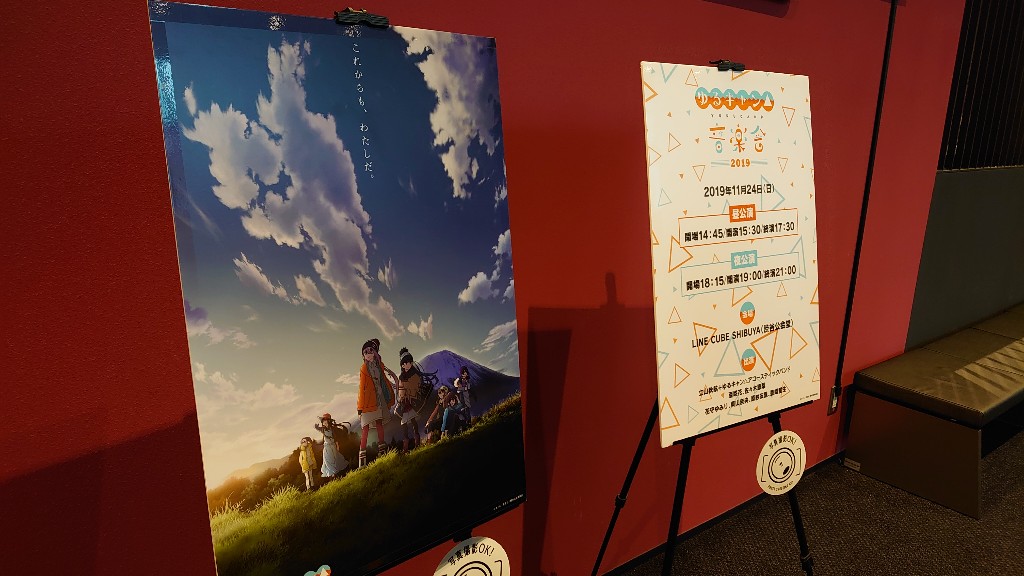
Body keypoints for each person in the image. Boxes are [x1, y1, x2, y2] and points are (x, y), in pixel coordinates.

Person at [357, 338, 397, 467]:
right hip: (367, 401)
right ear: (363, 355)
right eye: (365, 352)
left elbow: (383, 380)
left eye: (370, 351)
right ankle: (362, 459)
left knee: (379, 424)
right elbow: (361, 388)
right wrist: (360, 407)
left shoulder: (379, 366)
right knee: (365, 428)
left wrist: (391, 386)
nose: (368, 354)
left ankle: (382, 452)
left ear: (375, 352)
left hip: (379, 399)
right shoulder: (364, 368)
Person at [395, 347, 422, 452]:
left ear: (411, 363)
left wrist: (405, 389)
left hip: (412, 401)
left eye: (408, 363)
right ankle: (405, 447)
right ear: (402, 365)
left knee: (413, 421)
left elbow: (415, 386)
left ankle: (417, 442)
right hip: (405, 403)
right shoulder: (402, 376)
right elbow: (401, 389)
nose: (406, 365)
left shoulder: (415, 374)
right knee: (404, 424)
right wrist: (401, 396)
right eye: (404, 364)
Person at [314, 413, 349, 480]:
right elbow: (316, 427)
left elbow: (335, 438)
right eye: (323, 421)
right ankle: (333, 475)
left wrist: (337, 446)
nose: (324, 423)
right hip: (327, 448)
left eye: (326, 421)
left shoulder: (333, 429)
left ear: (329, 421)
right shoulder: (322, 429)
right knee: (328, 460)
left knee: (336, 459)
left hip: (333, 446)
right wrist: (317, 422)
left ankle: (338, 474)